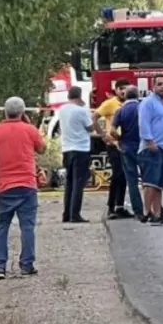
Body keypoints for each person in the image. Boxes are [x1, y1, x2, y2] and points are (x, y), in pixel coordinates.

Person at [0, 97, 45, 280]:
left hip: (3, 187)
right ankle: (27, 265)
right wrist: (30, 125)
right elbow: (42, 149)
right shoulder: (30, 130)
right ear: (23, 112)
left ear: (4, 112)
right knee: (27, 226)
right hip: (27, 186)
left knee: (1, 227)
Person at [138, 75, 163, 225]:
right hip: (153, 147)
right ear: (153, 87)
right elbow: (144, 122)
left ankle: (159, 213)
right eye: (159, 84)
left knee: (160, 184)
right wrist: (149, 141)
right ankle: (147, 212)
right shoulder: (148, 103)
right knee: (150, 183)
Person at [58, 86, 98, 223]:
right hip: (80, 148)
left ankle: (66, 213)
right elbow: (90, 127)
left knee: (69, 183)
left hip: (66, 148)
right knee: (78, 183)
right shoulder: (82, 111)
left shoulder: (62, 109)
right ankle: (75, 214)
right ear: (80, 96)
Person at [93, 79, 131, 219]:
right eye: (120, 88)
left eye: (125, 88)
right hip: (113, 144)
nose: (123, 91)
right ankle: (111, 207)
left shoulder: (129, 104)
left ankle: (120, 206)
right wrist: (102, 135)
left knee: (125, 175)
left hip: (126, 143)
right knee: (117, 174)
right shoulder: (110, 103)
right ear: (115, 90)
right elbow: (94, 117)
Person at [111, 85, 146, 222]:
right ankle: (152, 208)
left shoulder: (121, 110)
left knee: (131, 181)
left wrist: (119, 139)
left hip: (127, 147)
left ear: (125, 95)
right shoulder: (143, 108)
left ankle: (138, 211)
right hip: (143, 146)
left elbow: (113, 131)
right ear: (137, 95)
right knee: (148, 180)